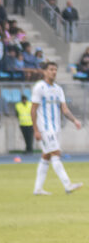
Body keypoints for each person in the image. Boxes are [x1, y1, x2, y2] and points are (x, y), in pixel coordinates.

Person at [31, 62, 83, 195]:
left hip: (56, 128)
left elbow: (64, 109)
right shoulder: (39, 87)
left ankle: (38, 188)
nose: (53, 72)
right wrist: (36, 129)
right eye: (50, 69)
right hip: (45, 128)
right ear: (44, 71)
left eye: (55, 69)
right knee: (56, 153)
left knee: (46, 156)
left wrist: (74, 120)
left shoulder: (58, 89)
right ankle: (68, 185)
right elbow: (33, 109)